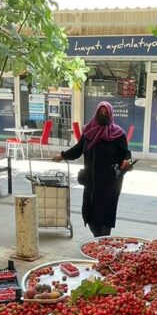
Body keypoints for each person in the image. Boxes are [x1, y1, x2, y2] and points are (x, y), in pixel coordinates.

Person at [53, 101, 132, 237]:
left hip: (110, 183)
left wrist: (127, 161)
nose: (103, 115)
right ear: (96, 113)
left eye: (106, 113)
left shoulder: (118, 134)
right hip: (90, 182)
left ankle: (101, 243)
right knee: (89, 215)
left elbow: (126, 153)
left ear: (111, 114)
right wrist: (62, 155)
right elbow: (78, 149)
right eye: (101, 112)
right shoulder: (88, 131)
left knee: (105, 216)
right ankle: (99, 239)